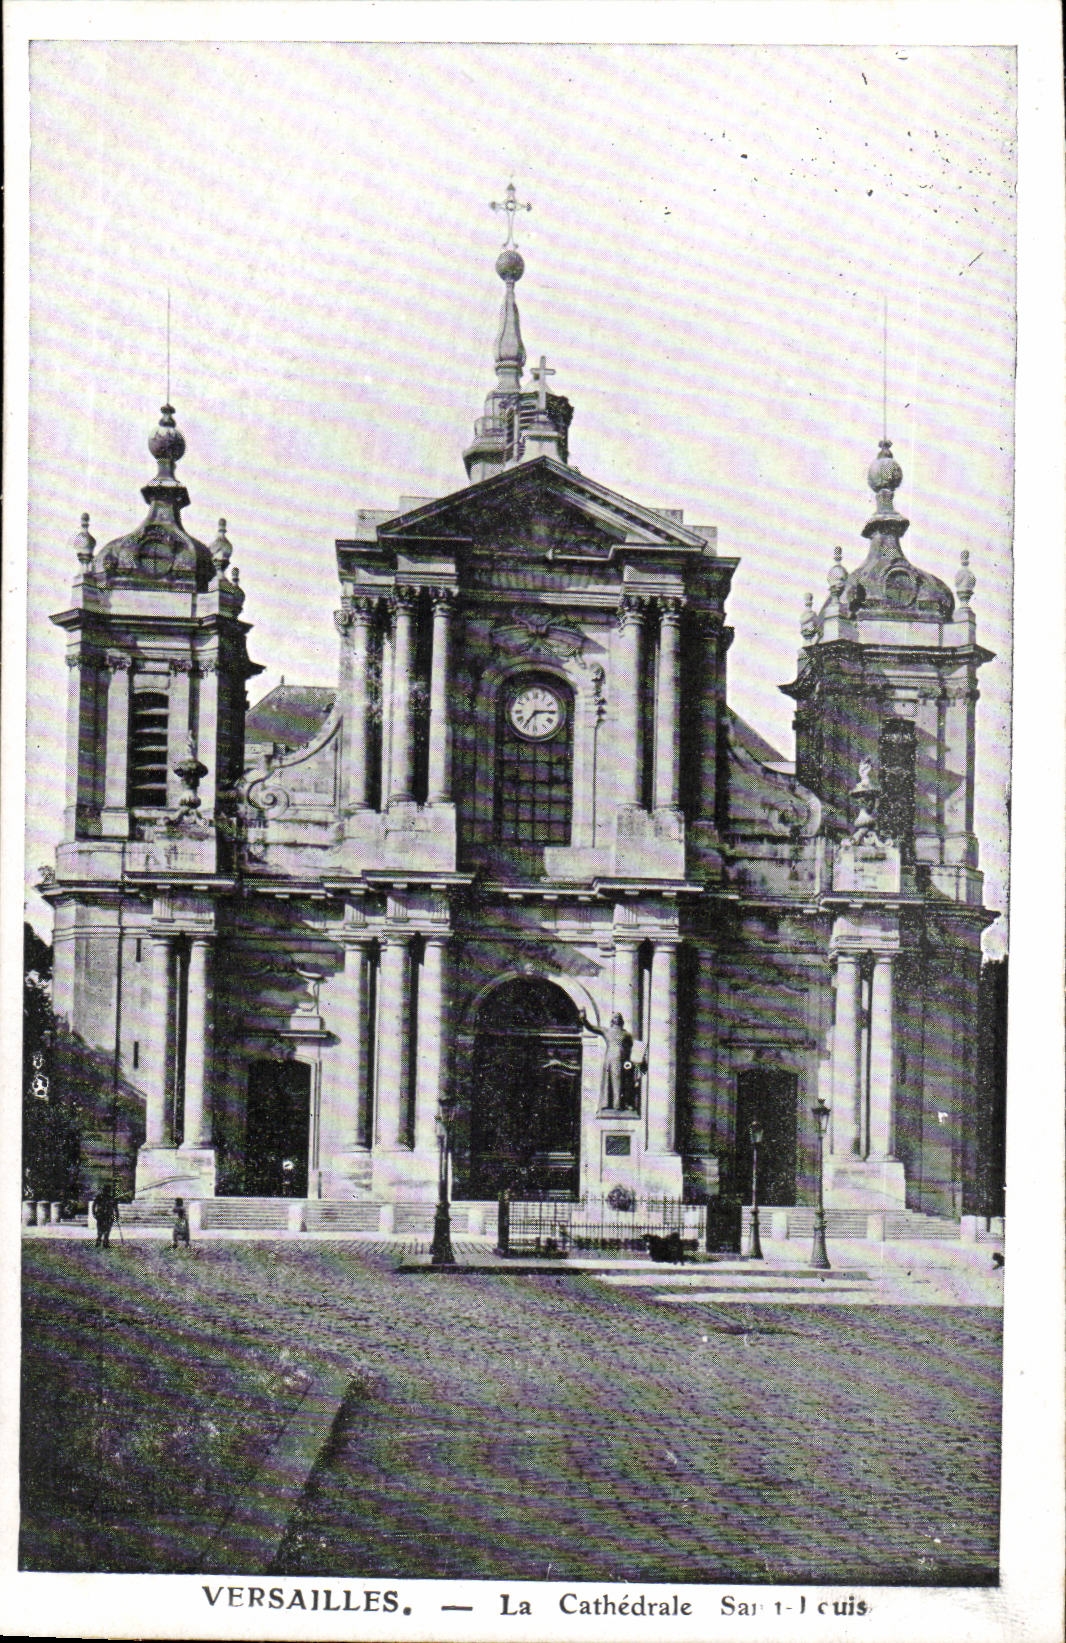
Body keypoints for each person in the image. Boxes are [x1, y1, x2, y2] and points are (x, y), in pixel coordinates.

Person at [578, 1010, 644, 1111]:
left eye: (618, 1017)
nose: (617, 1019)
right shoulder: (607, 1031)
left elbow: (635, 1046)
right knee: (612, 1080)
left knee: (622, 1080)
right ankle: (611, 1104)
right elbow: (592, 1028)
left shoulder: (626, 1034)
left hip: (623, 1059)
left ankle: (621, 1103)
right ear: (612, 1020)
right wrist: (584, 1019)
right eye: (615, 1017)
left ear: (621, 1021)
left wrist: (637, 1058)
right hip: (611, 1058)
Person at [91, 1182, 119, 1249]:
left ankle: (105, 1242)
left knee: (107, 1229)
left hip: (108, 1216)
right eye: (106, 1190)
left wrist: (117, 1215)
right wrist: (94, 1213)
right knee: (100, 1229)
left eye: (107, 1190)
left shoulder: (111, 1198)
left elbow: (115, 1208)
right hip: (101, 1215)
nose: (107, 1191)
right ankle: (98, 1241)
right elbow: (94, 1205)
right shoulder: (99, 1197)